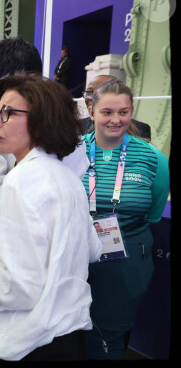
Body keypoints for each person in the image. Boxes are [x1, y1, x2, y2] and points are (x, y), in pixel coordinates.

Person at [0, 74, 103, 361]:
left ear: (42, 121)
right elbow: (93, 250)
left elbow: (15, 291)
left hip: (29, 342)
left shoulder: (20, 181)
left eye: (8, 112)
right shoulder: (68, 178)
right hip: (70, 336)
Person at [82, 78, 169, 360]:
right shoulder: (71, 151)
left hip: (126, 257)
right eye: (107, 112)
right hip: (75, 254)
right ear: (92, 111)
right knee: (71, 331)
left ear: (132, 111)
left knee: (108, 337)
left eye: (124, 112)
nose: (115, 120)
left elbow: (154, 212)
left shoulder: (154, 159)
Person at [81, 74, 151, 140]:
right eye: (89, 92)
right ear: (90, 112)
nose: (91, 98)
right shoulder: (75, 127)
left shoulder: (140, 130)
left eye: (99, 92)